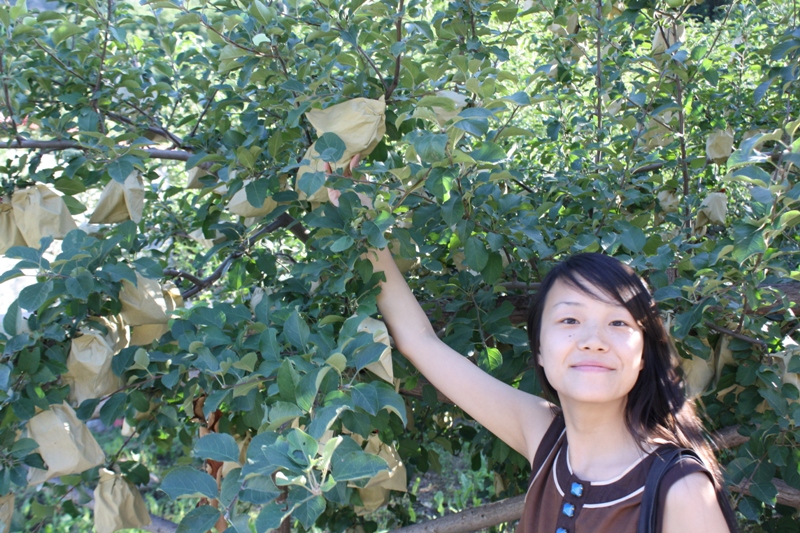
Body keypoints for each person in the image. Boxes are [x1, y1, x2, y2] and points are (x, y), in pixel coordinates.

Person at [326, 156, 737, 533]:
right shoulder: (547, 436)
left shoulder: (680, 492)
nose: (593, 341)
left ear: (645, 353)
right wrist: (360, 216)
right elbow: (419, 340)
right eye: (570, 319)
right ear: (539, 348)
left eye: (617, 322)